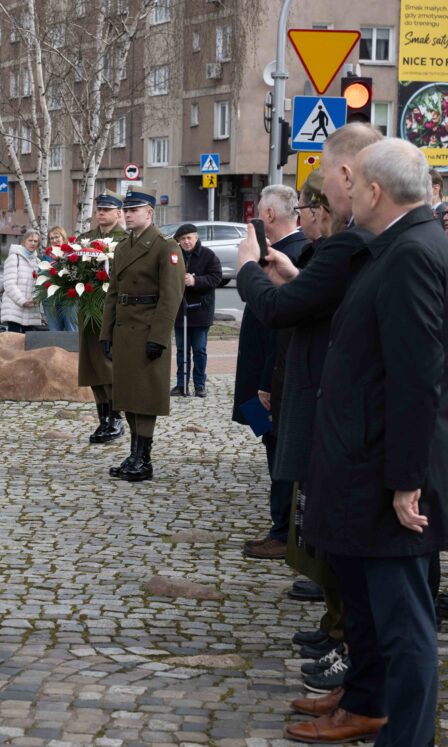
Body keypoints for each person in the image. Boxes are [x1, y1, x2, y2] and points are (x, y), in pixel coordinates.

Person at [234, 123, 387, 743]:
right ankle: (361, 690)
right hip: (343, 424)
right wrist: (293, 275)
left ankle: (372, 700)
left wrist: (249, 270)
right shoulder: (364, 244)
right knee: (356, 579)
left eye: (324, 176)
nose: (318, 191)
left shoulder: (361, 245)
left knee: (376, 592)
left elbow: (282, 311)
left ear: (352, 177)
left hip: (358, 434)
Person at [292, 138, 448, 746]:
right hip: (371, 462)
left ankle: (406, 738)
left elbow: (417, 377)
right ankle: (374, 710)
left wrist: (407, 482)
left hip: (388, 476)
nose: (347, 191)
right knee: (384, 615)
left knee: (404, 626)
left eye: (353, 184)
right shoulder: (401, 245)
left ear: (376, 191)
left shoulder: (412, 253)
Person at [236, 184, 309, 560]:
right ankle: (281, 527)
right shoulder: (286, 251)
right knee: (270, 444)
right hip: (264, 378)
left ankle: (283, 531)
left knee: (279, 451)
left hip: (272, 380)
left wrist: (266, 383)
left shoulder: (294, 253)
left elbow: (281, 329)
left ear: (267, 215)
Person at [98, 190, 184, 482]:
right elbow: (113, 294)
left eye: (134, 210)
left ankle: (143, 459)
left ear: (150, 212)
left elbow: (171, 296)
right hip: (124, 330)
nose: (128, 214)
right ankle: (134, 455)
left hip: (148, 330)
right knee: (128, 395)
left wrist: (159, 337)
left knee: (145, 396)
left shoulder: (165, 246)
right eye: (126, 210)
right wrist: (106, 333)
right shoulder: (124, 246)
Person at [80, 191, 127, 445]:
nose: (101, 213)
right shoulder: (85, 239)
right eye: (99, 209)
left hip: (113, 313)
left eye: (107, 210)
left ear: (118, 213)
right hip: (89, 311)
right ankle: (103, 419)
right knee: (93, 368)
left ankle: (116, 418)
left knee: (110, 367)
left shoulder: (125, 240)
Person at [170, 224, 221, 398]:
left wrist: (196, 281)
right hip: (179, 310)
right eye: (182, 239)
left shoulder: (208, 255)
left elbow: (216, 277)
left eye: (189, 238)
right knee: (181, 350)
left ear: (196, 238)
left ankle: (200, 385)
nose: (186, 242)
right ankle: (181, 385)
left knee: (199, 350)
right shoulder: (174, 255)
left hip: (201, 311)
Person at [0, 229, 44, 333]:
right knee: (14, 340)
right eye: (30, 240)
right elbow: (9, 284)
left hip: (31, 309)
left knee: (29, 341)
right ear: (24, 241)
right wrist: (23, 301)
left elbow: (39, 285)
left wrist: (35, 299)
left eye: (35, 241)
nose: (33, 243)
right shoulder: (14, 258)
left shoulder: (37, 261)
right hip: (14, 307)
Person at [41, 225, 76, 332]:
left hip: (69, 299)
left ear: (63, 237)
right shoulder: (47, 256)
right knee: (54, 332)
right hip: (51, 300)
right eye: (51, 238)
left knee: (72, 330)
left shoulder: (72, 252)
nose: (54, 240)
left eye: (57, 237)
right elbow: (42, 277)